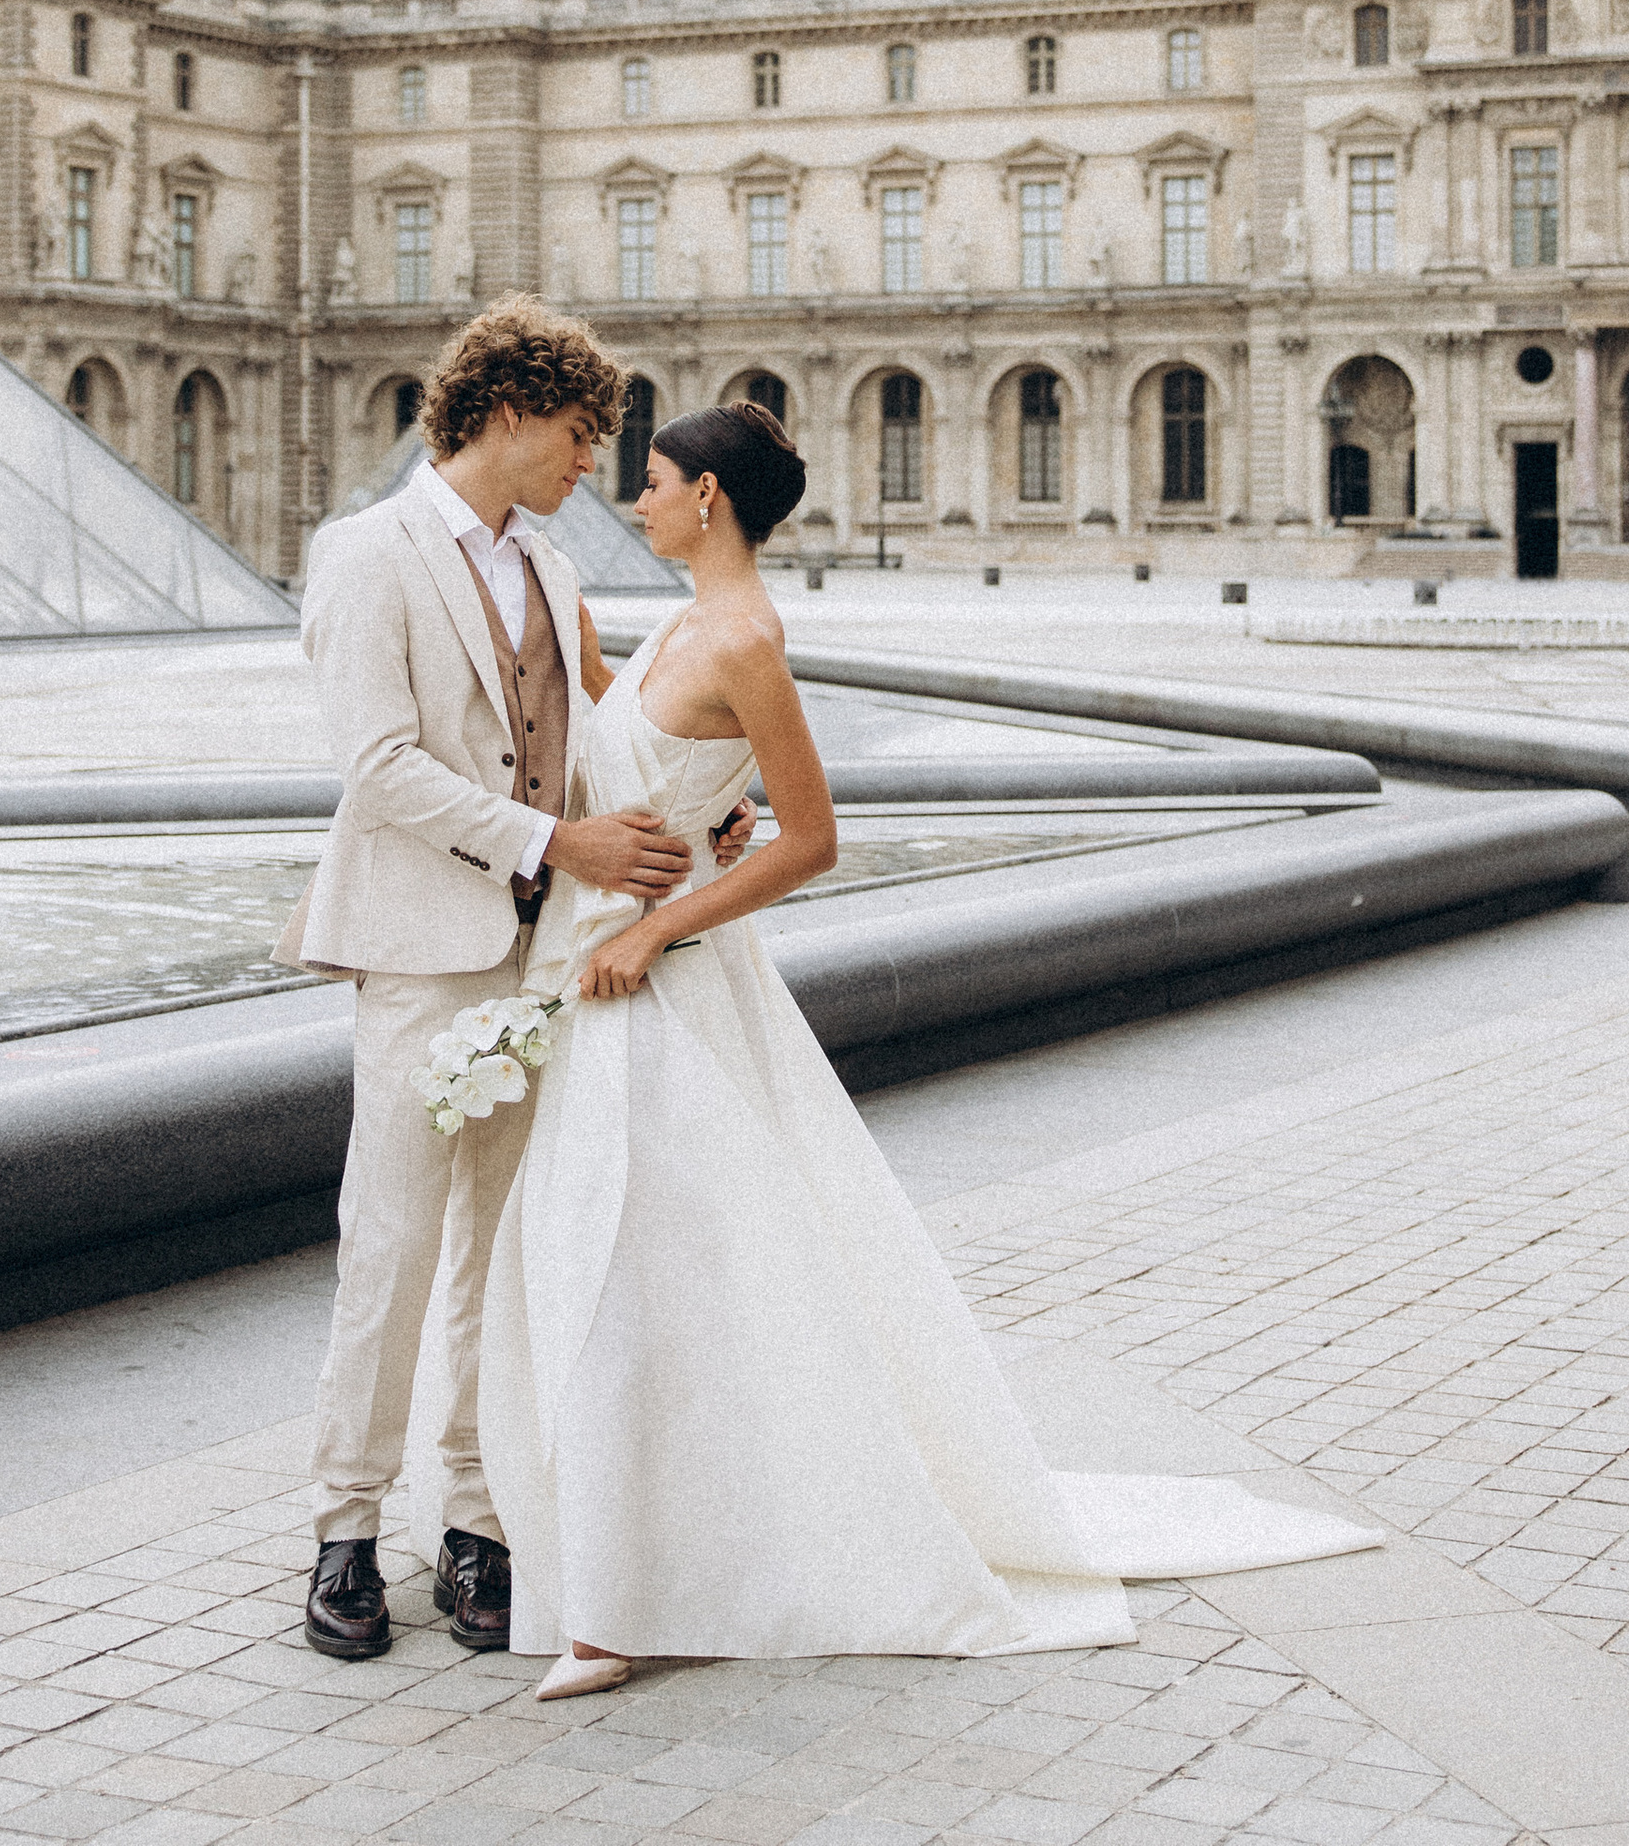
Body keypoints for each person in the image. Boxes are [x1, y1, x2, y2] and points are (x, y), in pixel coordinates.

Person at [435, 397, 1381, 1700]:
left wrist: (662, 931)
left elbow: (814, 842)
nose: (633, 497)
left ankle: (619, 1601)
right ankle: (629, 1569)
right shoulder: (683, 622)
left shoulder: (748, 634)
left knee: (628, 1283)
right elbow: (681, 781)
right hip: (608, 980)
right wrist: (681, 807)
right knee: (628, 1284)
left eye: (651, 480)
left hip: (657, 991)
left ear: (708, 498)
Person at [274, 298, 751, 1664]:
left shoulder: (546, 567)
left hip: (537, 957)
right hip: (421, 954)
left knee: (499, 1254)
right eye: (582, 435)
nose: (592, 466)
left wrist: (691, 821)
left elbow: (580, 740)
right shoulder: (368, 555)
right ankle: (345, 1530)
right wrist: (558, 839)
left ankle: (475, 1521)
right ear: (507, 413)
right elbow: (377, 765)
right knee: (393, 1247)